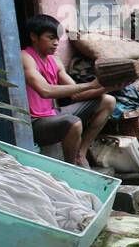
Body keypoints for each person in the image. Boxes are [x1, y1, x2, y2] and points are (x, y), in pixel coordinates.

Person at [20, 13, 117, 168]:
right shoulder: (25, 57)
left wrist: (110, 87)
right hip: (34, 122)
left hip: (52, 114)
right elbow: (45, 91)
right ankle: (71, 169)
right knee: (74, 123)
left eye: (58, 39)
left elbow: (77, 94)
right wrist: (91, 85)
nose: (56, 43)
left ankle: (81, 153)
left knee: (108, 101)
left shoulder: (55, 61)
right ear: (34, 36)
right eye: (50, 37)